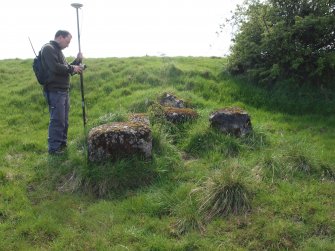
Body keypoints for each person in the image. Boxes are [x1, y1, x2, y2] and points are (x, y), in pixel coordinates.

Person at [41, 30, 84, 155]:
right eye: (68, 41)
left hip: (63, 91)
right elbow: (55, 67)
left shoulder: (57, 50)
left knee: (64, 120)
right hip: (54, 91)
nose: (68, 44)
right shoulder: (48, 48)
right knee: (57, 120)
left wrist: (76, 61)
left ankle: (62, 144)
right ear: (60, 37)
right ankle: (54, 149)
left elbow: (65, 69)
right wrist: (73, 68)